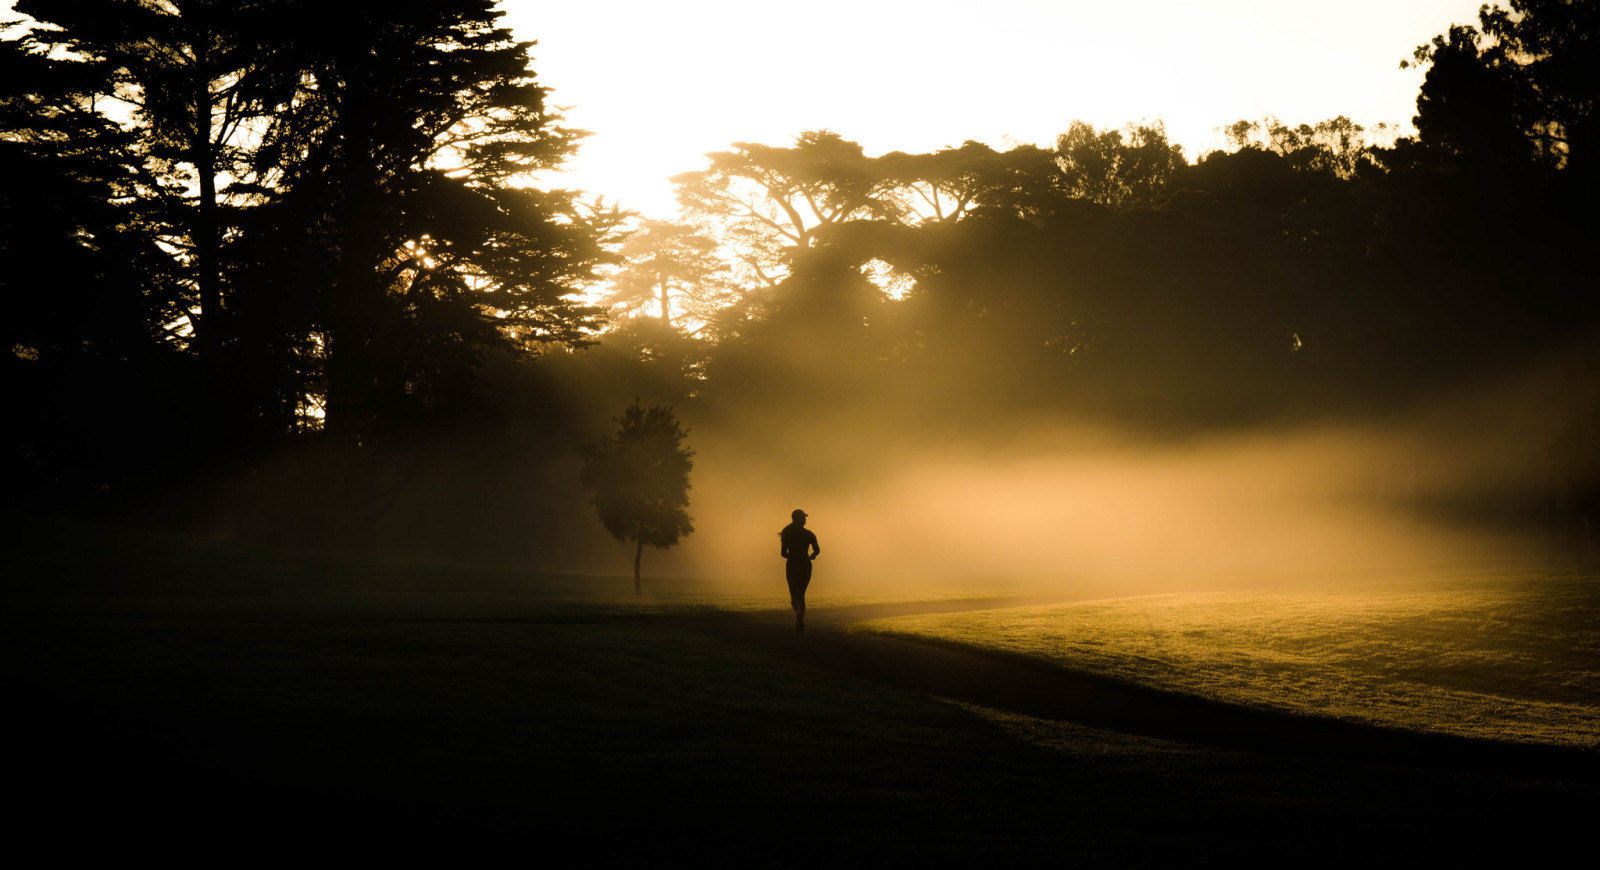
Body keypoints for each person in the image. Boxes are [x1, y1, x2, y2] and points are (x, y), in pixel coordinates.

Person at [779, 509, 820, 631]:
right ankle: (800, 617)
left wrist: (792, 556)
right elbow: (817, 550)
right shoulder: (809, 534)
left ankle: (798, 612)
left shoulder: (786, 533)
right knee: (801, 594)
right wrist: (812, 555)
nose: (805, 520)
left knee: (794, 595)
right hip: (805, 564)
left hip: (792, 564)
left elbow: (783, 553)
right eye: (803, 518)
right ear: (799, 519)